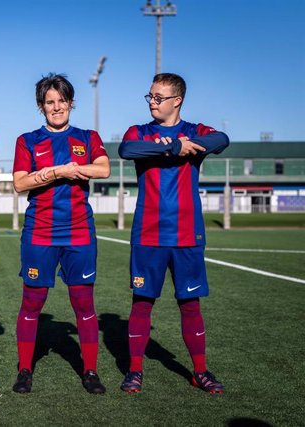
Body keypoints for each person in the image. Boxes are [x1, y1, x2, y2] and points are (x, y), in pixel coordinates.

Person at [118, 72, 230, 394]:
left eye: (159, 97)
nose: (152, 102)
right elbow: (127, 150)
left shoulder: (195, 131)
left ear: (177, 100)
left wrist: (189, 145)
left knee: (190, 303)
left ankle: (200, 371)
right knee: (142, 302)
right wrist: (172, 149)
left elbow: (221, 139)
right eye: (150, 96)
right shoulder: (140, 131)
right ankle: (135, 371)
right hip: (148, 232)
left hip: (186, 233)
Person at [11, 73, 110, 394]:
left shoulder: (88, 136)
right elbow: (20, 182)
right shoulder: (27, 140)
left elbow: (103, 169)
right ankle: (25, 369)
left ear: (71, 102)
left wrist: (67, 170)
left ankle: (91, 371)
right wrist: (58, 171)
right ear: (41, 107)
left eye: (61, 101)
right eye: (49, 102)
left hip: (80, 231)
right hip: (39, 232)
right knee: (32, 302)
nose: (56, 107)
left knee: (83, 304)